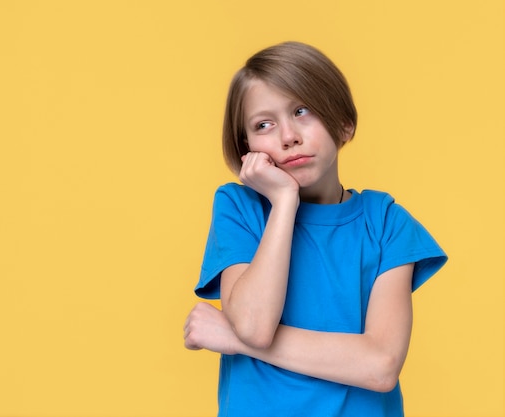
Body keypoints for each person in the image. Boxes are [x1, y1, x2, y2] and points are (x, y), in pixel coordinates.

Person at [183, 41, 447, 416]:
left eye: (302, 111)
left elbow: (380, 366)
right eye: (264, 124)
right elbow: (254, 325)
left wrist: (236, 340)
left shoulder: (386, 222)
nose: (288, 136)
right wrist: (284, 201)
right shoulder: (239, 209)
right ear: (247, 148)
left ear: (343, 121)